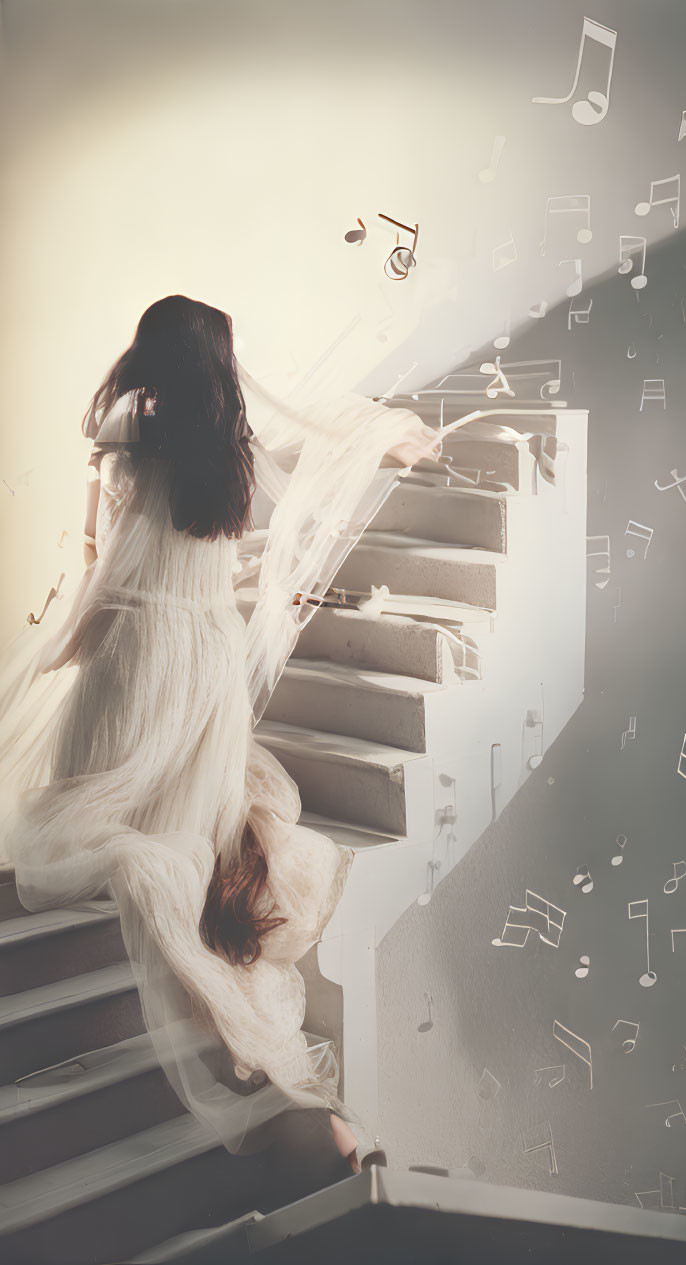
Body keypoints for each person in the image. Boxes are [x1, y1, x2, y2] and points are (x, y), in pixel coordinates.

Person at [0, 294, 446, 1176]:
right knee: (186, 833)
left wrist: (70, 647)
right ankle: (309, 1108)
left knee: (121, 834)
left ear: (151, 353)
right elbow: (298, 443)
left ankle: (286, 1090)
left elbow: (104, 563)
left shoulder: (134, 428)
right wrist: (385, 437)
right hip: (205, 662)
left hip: (145, 654)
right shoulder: (227, 447)